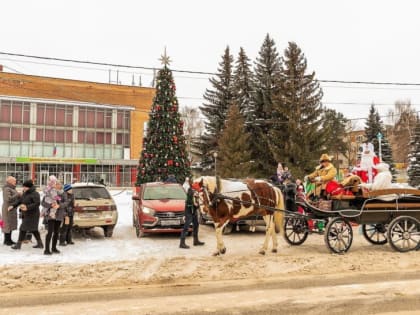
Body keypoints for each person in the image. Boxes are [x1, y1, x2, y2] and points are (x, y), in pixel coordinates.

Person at [11, 179, 43, 250]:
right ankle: (40, 243)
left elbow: (37, 203)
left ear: (29, 187)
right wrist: (13, 206)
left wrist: (27, 207)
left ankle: (18, 245)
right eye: (23, 187)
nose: (23, 188)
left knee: (23, 228)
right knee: (33, 229)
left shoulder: (35, 193)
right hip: (27, 214)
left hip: (33, 214)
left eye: (25, 187)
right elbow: (20, 201)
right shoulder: (25, 193)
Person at [42, 176, 65, 255]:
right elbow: (43, 203)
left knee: (56, 232)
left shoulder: (63, 193)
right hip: (51, 215)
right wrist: (50, 205)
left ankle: (54, 248)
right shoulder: (49, 191)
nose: (57, 185)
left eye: (58, 184)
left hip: (59, 215)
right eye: (56, 184)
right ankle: (47, 249)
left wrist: (59, 205)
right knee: (50, 232)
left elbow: (66, 203)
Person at [179, 179, 204, 249]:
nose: (199, 190)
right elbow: (193, 203)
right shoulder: (191, 191)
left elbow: (196, 203)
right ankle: (182, 243)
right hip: (189, 211)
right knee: (186, 227)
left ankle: (195, 241)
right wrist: (197, 203)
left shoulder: (194, 191)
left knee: (196, 225)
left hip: (193, 211)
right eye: (198, 188)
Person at [2, 176, 20, 246]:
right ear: (10, 182)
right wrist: (17, 194)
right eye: (14, 181)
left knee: (11, 224)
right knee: (7, 225)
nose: (15, 182)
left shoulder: (12, 188)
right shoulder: (7, 189)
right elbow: (8, 199)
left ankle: (9, 239)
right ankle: (6, 240)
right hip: (7, 209)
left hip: (12, 209)